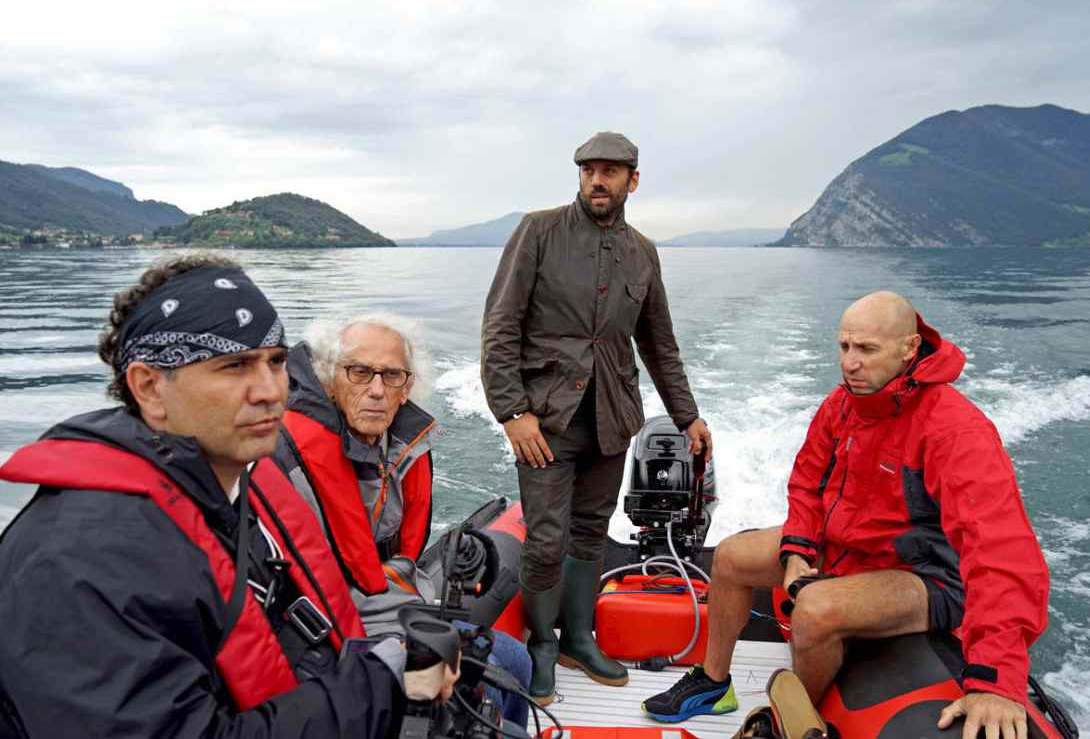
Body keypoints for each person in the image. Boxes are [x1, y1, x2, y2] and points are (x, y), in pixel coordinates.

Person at [0, 255, 436, 738]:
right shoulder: (81, 561)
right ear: (149, 387)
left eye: (275, 362)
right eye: (234, 367)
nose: (271, 391)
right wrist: (386, 681)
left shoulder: (223, 494)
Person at [643, 291, 1049, 739]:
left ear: (909, 349)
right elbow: (807, 483)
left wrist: (995, 680)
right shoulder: (843, 405)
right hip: (848, 546)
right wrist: (798, 546)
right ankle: (713, 683)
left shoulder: (955, 430)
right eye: (844, 347)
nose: (850, 363)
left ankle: (793, 721)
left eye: (867, 350)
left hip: (924, 575)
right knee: (732, 555)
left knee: (814, 609)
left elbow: (999, 550)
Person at [481, 130, 713, 705]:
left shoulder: (643, 252)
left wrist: (687, 417)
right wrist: (513, 412)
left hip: (612, 416)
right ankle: (541, 643)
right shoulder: (538, 231)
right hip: (545, 418)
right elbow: (499, 328)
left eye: (610, 172)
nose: (597, 181)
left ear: (632, 180)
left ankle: (578, 639)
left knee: (590, 531)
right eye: (588, 171)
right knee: (545, 537)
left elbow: (659, 344)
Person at [272, 313, 532, 727]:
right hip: (331, 632)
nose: (376, 390)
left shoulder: (399, 449)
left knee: (518, 660)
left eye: (392, 376)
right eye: (360, 372)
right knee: (490, 697)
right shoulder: (283, 462)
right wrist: (401, 645)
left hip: (392, 604)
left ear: (407, 387)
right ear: (330, 377)